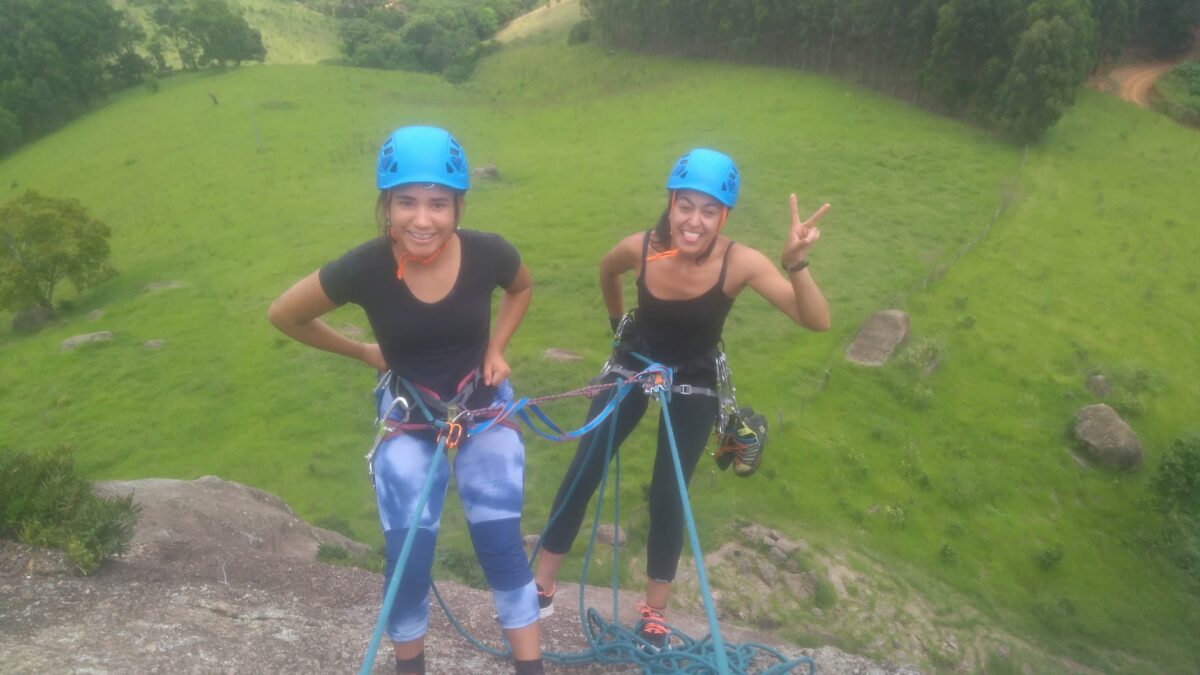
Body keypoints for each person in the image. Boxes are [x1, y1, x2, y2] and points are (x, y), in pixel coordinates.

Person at [268, 126, 543, 675]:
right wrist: (364, 352)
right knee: (408, 562)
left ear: (458, 206)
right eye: (407, 202)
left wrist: (496, 346)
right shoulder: (365, 267)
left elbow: (522, 288)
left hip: (482, 407)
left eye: (439, 203)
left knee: (500, 546)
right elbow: (285, 314)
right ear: (386, 206)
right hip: (410, 416)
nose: (423, 219)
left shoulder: (489, 253)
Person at [533, 148, 831, 649]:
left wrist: (796, 262)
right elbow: (607, 272)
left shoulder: (740, 264)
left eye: (709, 210)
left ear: (724, 217)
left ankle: (655, 611)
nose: (694, 221)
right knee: (586, 463)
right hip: (636, 360)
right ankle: (540, 584)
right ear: (670, 205)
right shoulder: (642, 249)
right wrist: (617, 326)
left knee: (669, 490)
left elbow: (816, 320)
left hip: (695, 374)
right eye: (686, 206)